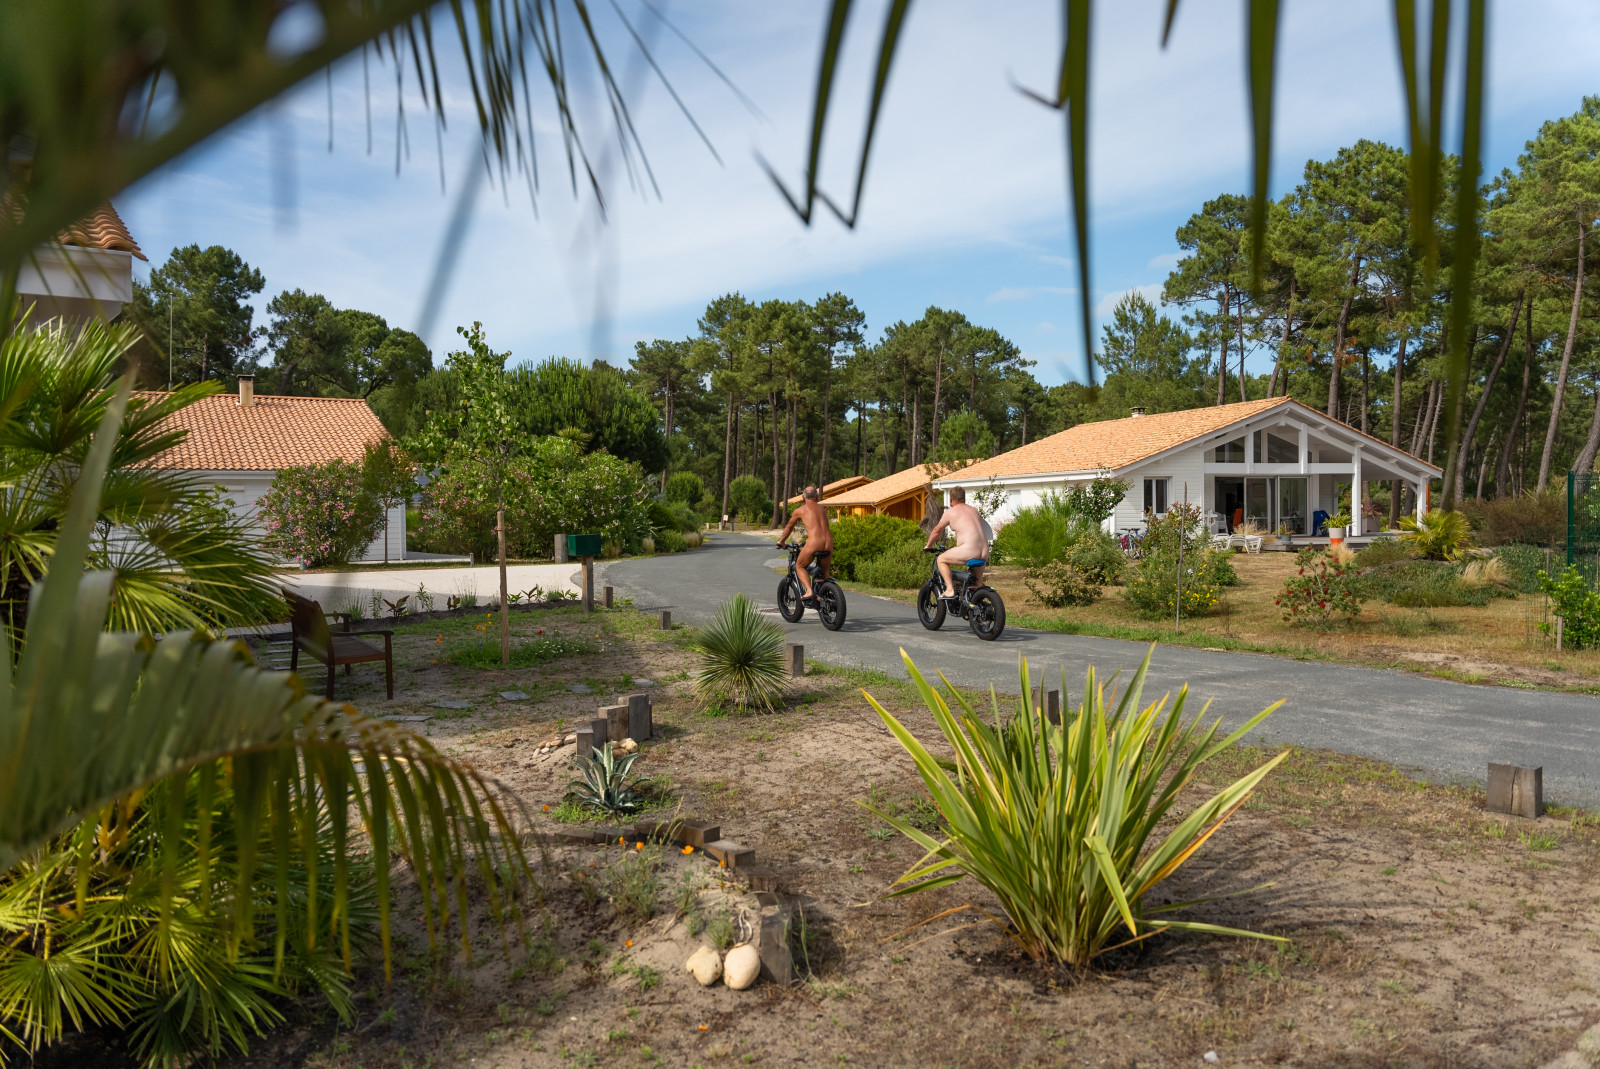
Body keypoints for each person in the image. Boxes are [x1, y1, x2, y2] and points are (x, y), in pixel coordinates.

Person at [924, 486, 991, 603]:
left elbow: (936, 531)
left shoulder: (950, 512)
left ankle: (950, 590)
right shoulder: (974, 510)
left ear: (951, 499)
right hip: (985, 551)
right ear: (964, 498)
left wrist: (928, 546)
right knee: (977, 583)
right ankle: (977, 601)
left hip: (969, 550)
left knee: (941, 559)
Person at [777, 485, 833, 604]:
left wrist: (781, 541)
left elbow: (789, 527)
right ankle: (828, 596)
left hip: (814, 542)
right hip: (828, 543)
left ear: (803, 497)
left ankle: (809, 591)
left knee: (800, 566)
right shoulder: (822, 509)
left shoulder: (800, 510)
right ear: (817, 497)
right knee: (825, 574)